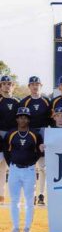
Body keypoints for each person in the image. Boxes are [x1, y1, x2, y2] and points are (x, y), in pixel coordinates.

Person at [4, 107, 43, 232]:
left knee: (29, 201)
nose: (23, 119)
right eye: (20, 117)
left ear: (28, 119)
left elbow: (39, 151)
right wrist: (12, 164)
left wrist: (31, 162)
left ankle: (27, 228)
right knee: (14, 200)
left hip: (29, 170)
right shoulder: (11, 133)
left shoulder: (35, 134)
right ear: (17, 119)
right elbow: (6, 151)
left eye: (25, 117)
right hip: (14, 170)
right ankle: (15, 227)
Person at [20, 76, 51, 205]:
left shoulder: (47, 101)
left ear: (41, 85)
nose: (35, 86)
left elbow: (51, 119)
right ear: (29, 86)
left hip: (43, 133)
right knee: (30, 168)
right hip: (30, 133)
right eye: (32, 84)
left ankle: (41, 195)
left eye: (37, 84)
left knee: (44, 167)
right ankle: (30, 195)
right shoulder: (25, 101)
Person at [0, 75, 20, 204]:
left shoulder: (17, 102)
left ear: (13, 86)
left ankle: (7, 195)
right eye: (4, 83)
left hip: (12, 136)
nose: (7, 85)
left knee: (11, 167)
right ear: (1, 86)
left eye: (9, 83)